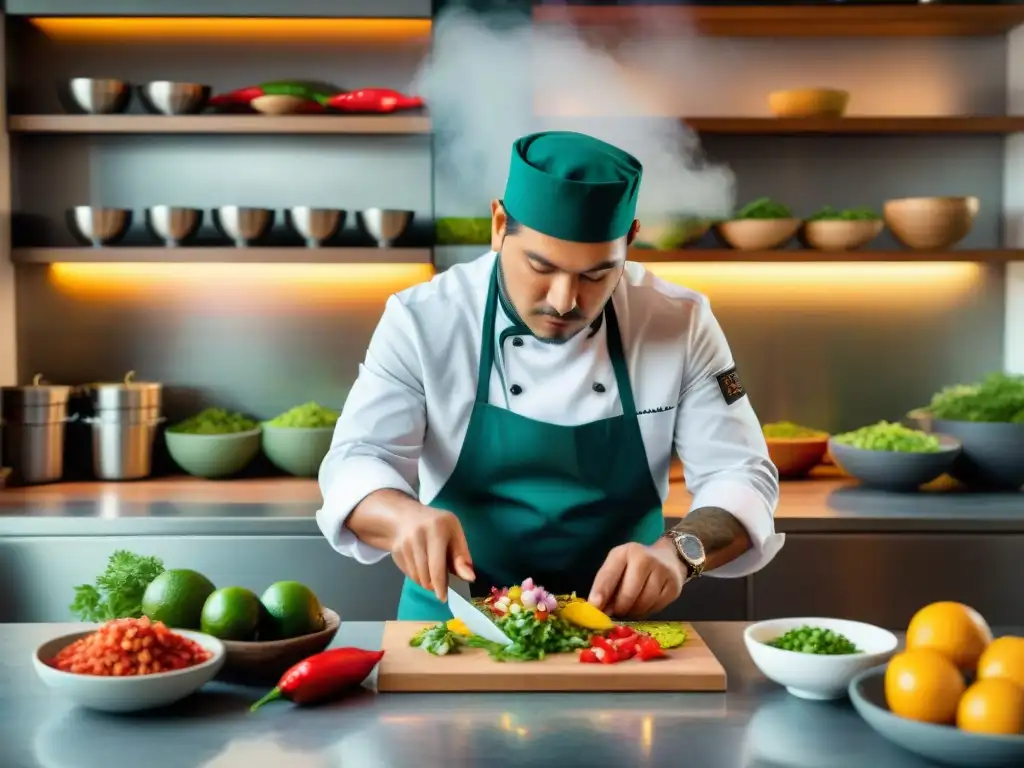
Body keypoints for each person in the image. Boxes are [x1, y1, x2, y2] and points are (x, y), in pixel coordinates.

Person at [316, 130, 783, 622]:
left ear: (629, 242)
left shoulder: (679, 322)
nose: (564, 300)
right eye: (541, 266)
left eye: (596, 275)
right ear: (499, 225)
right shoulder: (424, 318)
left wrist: (677, 554)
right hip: (454, 624)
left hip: (617, 633)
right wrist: (401, 517)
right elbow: (357, 458)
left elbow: (742, 473)